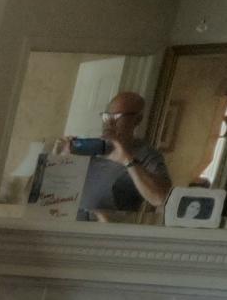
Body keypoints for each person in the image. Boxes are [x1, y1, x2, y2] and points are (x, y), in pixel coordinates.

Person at [64, 92, 171, 221]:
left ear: (137, 120)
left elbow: (161, 197)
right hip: (65, 229)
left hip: (104, 235)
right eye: (106, 116)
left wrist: (127, 160)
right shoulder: (89, 148)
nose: (109, 123)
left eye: (117, 117)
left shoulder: (146, 155)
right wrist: (60, 160)